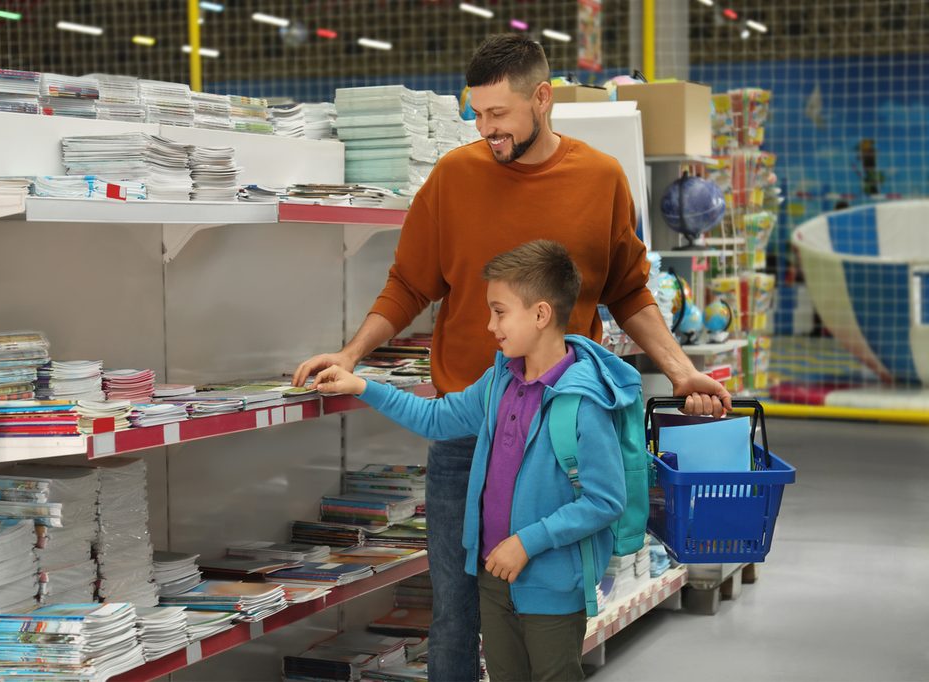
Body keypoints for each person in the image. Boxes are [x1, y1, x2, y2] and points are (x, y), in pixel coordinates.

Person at [293, 34, 731, 681]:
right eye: (476, 113)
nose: (484, 128)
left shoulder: (600, 179)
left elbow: (630, 290)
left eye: (498, 113)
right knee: (455, 611)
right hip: (466, 431)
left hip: (559, 441)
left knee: (544, 611)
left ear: (542, 98)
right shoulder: (453, 177)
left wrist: (680, 369)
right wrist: (352, 353)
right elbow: (410, 283)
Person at [312, 241, 636, 682]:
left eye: (499, 312)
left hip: (553, 585)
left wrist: (527, 543)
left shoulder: (585, 401)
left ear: (541, 314)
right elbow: (436, 418)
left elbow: (604, 500)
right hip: (493, 577)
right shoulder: (499, 380)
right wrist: (363, 386)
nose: (490, 325)